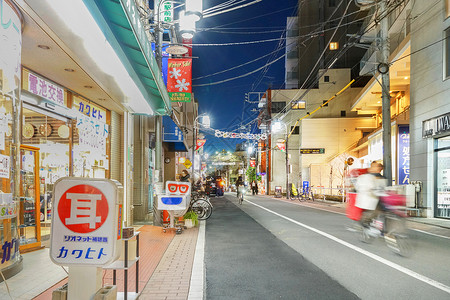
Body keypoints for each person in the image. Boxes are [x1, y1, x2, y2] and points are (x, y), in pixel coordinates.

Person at [354, 161, 387, 227]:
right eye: (374, 167)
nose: (375, 169)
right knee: (376, 211)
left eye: (378, 167)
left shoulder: (380, 177)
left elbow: (382, 188)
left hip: (376, 198)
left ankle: (379, 227)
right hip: (369, 199)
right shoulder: (366, 177)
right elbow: (360, 187)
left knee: (382, 211)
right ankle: (366, 222)